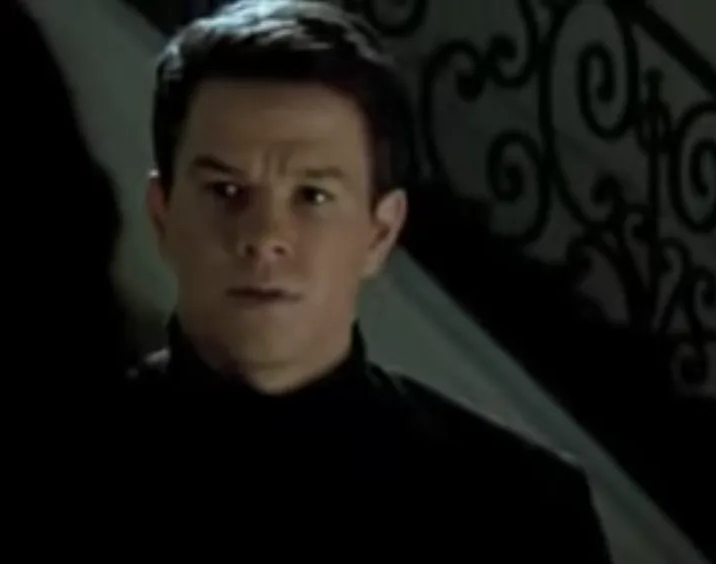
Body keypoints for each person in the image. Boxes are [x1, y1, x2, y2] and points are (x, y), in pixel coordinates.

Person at [112, 0, 613, 561]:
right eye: (226, 191)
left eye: (312, 196)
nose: (265, 236)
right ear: (163, 215)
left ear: (380, 233)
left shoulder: (522, 508)